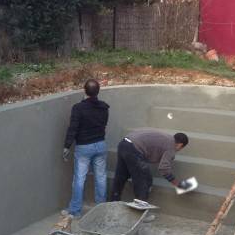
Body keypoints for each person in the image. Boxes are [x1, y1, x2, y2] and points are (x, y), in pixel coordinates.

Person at [61, 79, 110, 218]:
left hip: (84, 148)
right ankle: (101, 210)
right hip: (100, 145)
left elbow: (73, 128)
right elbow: (104, 125)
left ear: (85, 91)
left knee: (79, 179)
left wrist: (66, 146)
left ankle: (75, 211)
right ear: (98, 92)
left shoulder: (78, 108)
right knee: (101, 178)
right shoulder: (104, 108)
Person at [110, 129, 190, 208]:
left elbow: (153, 150)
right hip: (134, 148)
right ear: (180, 145)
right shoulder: (171, 146)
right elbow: (163, 168)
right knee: (145, 179)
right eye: (181, 148)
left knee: (121, 175)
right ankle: (139, 213)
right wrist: (177, 184)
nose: (178, 150)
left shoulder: (166, 138)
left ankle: (112, 205)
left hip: (124, 143)